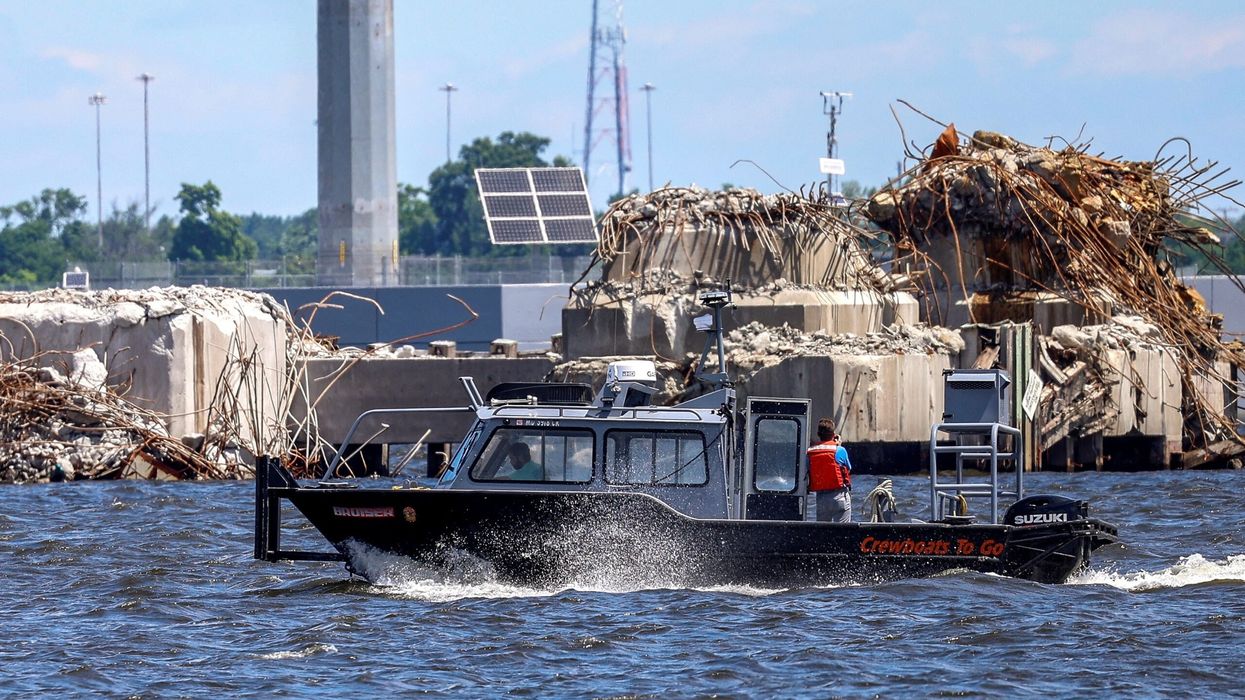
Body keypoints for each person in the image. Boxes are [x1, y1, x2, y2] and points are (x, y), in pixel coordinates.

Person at [807, 418, 852, 523]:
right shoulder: (839, 450)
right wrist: (838, 445)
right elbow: (848, 468)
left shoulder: (810, 452)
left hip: (821, 498)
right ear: (833, 434)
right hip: (840, 495)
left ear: (818, 434)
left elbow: (807, 470)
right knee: (843, 533)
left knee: (823, 533)